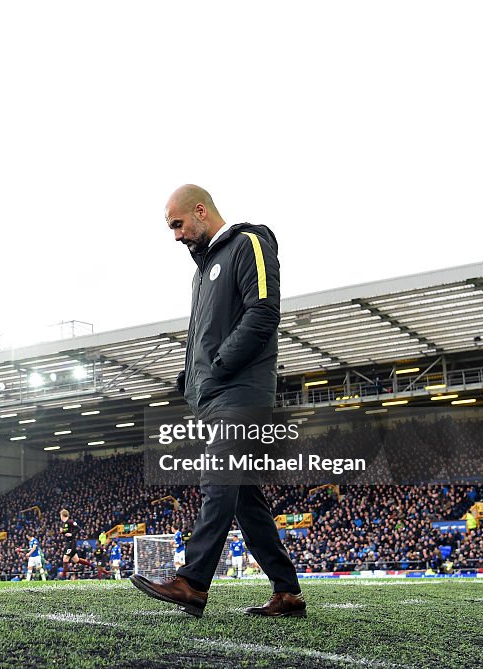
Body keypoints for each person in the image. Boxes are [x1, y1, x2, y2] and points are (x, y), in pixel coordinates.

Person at [130, 184, 304, 619]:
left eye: (178, 224)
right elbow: (203, 336)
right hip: (214, 395)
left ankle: (192, 581)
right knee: (244, 499)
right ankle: (287, 591)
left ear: (201, 211)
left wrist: (221, 365)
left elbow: (263, 312)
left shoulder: (249, 243)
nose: (176, 235)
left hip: (241, 392)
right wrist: (189, 377)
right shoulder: (202, 270)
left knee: (218, 478)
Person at [59, 509, 91, 576]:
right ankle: (91, 565)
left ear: (62, 515)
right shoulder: (64, 524)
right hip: (68, 542)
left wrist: (72, 534)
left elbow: (78, 528)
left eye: (60, 515)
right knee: (76, 560)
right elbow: (66, 533)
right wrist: (62, 532)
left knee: (65, 558)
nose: (60, 517)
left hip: (71, 542)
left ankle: (64, 576)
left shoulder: (70, 521)